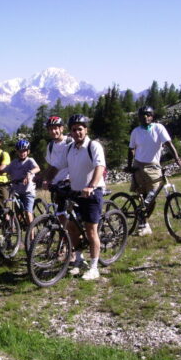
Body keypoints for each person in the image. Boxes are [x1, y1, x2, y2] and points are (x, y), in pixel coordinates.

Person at [127, 105, 181, 236]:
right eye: (142, 115)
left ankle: (144, 221)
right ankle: (143, 224)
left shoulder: (158, 128)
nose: (145, 117)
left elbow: (169, 143)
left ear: (152, 116)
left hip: (153, 166)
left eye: (148, 115)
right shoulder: (136, 131)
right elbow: (131, 149)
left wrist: (177, 158)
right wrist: (130, 166)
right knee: (141, 196)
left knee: (152, 196)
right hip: (138, 165)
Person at [65, 114, 106, 281]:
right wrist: (51, 179)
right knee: (72, 227)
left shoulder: (93, 146)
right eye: (74, 130)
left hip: (92, 192)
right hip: (76, 193)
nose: (77, 132)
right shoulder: (70, 148)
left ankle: (94, 267)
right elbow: (65, 167)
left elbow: (100, 166)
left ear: (86, 130)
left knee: (91, 231)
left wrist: (92, 185)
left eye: (80, 129)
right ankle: (80, 260)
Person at [0, 139, 40, 226]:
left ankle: (31, 237)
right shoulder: (14, 163)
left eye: (24, 151)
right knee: (18, 215)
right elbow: (4, 170)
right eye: (20, 151)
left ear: (28, 151)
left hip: (28, 192)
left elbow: (37, 168)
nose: (22, 153)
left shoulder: (30, 161)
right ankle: (19, 235)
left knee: (28, 213)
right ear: (17, 151)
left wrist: (29, 173)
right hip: (17, 192)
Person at [42, 115, 73, 224]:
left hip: (69, 184)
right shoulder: (50, 146)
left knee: (71, 215)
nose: (53, 131)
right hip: (56, 185)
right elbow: (50, 165)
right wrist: (46, 179)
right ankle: (65, 238)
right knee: (59, 214)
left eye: (55, 128)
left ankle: (75, 236)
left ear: (62, 128)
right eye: (50, 129)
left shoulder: (70, 142)